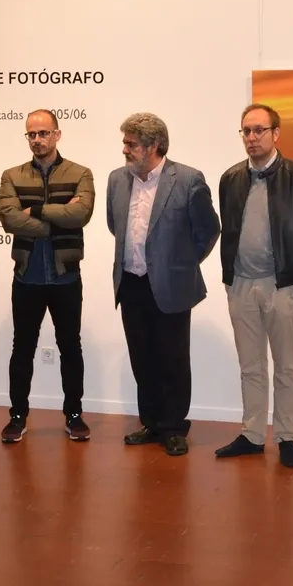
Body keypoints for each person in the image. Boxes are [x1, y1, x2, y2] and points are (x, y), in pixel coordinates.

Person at [107, 112, 220, 456]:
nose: (124, 149)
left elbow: (208, 230)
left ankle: (173, 427)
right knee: (142, 357)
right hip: (131, 281)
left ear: (153, 145)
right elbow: (116, 225)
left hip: (171, 282)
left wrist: (180, 263)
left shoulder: (187, 179)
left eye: (131, 143)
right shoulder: (116, 179)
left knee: (172, 357)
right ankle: (151, 422)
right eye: (125, 142)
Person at [214, 103, 293, 468]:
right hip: (241, 284)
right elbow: (228, 230)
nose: (252, 137)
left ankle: (287, 436)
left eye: (259, 130)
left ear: (276, 133)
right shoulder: (230, 178)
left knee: (286, 364)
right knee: (251, 365)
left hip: (283, 286)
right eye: (246, 130)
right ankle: (253, 434)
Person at [0, 109, 95, 443]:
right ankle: (17, 415)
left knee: (71, 347)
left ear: (57, 134)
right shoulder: (12, 175)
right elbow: (10, 220)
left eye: (43, 133)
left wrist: (36, 211)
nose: (37, 140)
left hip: (66, 277)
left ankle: (74, 414)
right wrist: (58, 216)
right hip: (27, 278)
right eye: (31, 135)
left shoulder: (81, 173)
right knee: (21, 348)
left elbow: (81, 214)